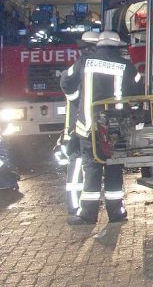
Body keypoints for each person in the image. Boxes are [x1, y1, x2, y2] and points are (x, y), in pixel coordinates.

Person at [60, 31, 142, 224]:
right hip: (116, 130)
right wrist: (135, 117)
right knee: (114, 168)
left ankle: (88, 215)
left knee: (91, 168)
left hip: (88, 127)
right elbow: (138, 93)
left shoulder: (85, 62)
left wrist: (76, 100)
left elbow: (65, 81)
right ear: (118, 47)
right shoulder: (128, 67)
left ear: (99, 45)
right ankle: (116, 213)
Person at [56, 30, 100, 215]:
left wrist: (75, 98)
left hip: (79, 125)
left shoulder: (81, 65)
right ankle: (75, 206)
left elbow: (65, 81)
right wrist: (76, 98)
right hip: (83, 126)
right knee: (80, 166)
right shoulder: (88, 65)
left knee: (78, 165)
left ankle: (77, 205)